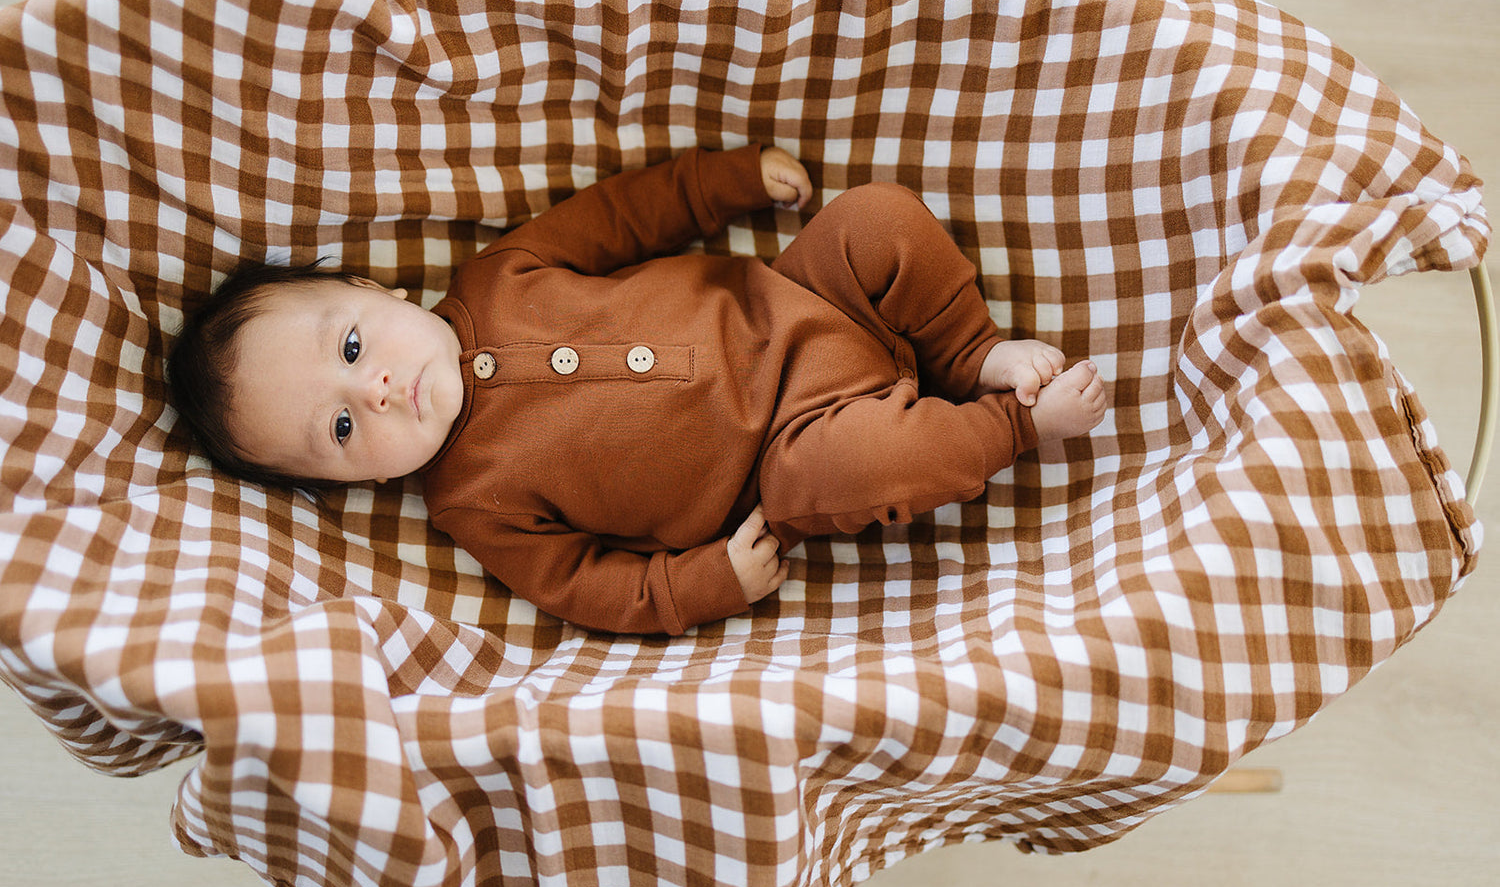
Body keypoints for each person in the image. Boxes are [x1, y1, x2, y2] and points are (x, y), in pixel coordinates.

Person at [168, 145, 1107, 634]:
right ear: (354, 486)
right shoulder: (473, 503)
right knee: (867, 464)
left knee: (877, 217)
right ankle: (1016, 422)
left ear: (378, 290)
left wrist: (724, 182)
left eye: (352, 343)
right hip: (792, 451)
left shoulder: (504, 273)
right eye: (337, 425)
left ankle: (970, 348)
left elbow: (622, 215)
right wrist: (705, 583)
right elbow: (586, 589)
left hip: (799, 294)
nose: (373, 389)